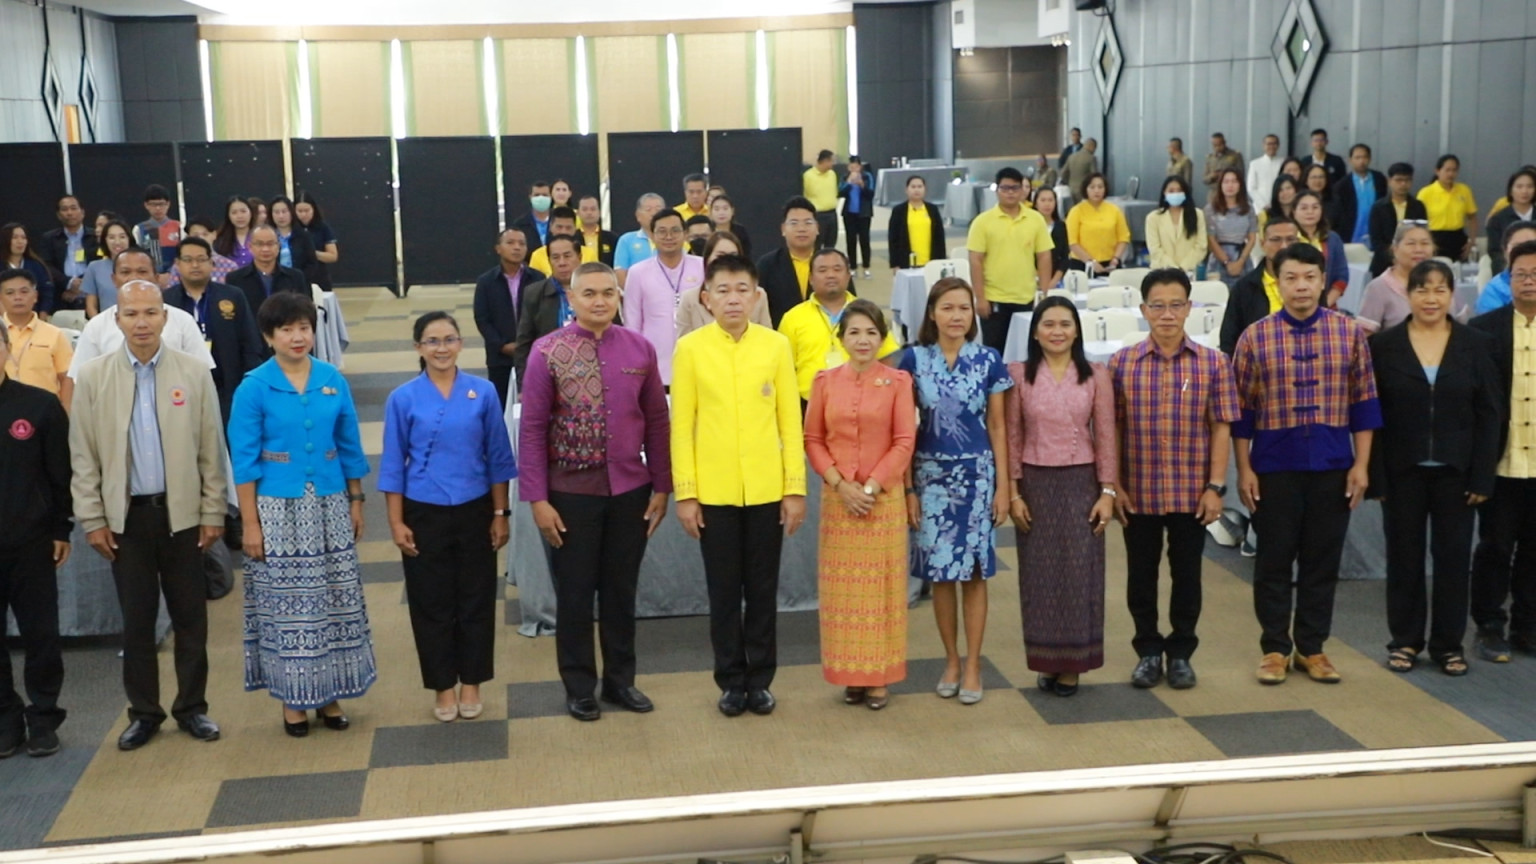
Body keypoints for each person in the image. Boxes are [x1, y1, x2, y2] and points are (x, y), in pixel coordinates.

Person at [69, 279, 225, 750]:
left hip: (182, 516)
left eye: (151, 313)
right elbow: (83, 455)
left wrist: (213, 510)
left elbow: (210, 449)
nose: (142, 322)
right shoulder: (93, 376)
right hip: (126, 521)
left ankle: (192, 708)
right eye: (132, 313)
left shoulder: (192, 371)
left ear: (166, 317)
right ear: (116, 320)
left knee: (191, 619)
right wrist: (93, 519)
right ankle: (144, 713)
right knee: (137, 624)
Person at [520, 262, 671, 721]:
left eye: (608, 292)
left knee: (622, 592)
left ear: (618, 297)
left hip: (631, 490)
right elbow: (532, 429)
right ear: (572, 298)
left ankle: (621, 682)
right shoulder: (547, 351)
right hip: (570, 494)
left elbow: (657, 422)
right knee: (576, 594)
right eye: (589, 293)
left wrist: (662, 486)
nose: (600, 301)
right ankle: (580, 686)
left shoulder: (640, 348)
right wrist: (537, 499)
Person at [1232, 242, 1381, 684]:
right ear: (1277, 283)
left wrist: (1362, 465)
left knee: (1321, 560)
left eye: (1309, 277)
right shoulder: (1255, 336)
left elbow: (1365, 404)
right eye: (1291, 278)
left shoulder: (1349, 333)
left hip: (1333, 464)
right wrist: (1244, 469)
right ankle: (1275, 648)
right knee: (1273, 560)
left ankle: (1312, 648)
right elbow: (1241, 412)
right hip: (1274, 466)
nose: (1301, 286)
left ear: (1323, 281)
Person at [229, 292, 374, 737]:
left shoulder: (331, 378)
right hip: (277, 510)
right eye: (287, 329)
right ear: (269, 336)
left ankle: (329, 694)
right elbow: (244, 461)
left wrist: (356, 500)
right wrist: (250, 525)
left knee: (333, 601)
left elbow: (349, 444)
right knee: (290, 607)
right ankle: (293, 700)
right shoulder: (254, 386)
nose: (297, 337)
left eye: (304, 328)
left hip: (330, 505)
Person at [672, 254, 806, 717]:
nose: (733, 299)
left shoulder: (776, 346)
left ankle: (761, 680)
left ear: (756, 296)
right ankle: (730, 681)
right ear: (706, 298)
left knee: (763, 590)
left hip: (767, 489)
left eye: (742, 289)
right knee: (724, 591)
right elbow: (681, 428)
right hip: (714, 492)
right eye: (723, 290)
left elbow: (790, 423)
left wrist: (795, 488)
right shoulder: (690, 349)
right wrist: (686, 493)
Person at [1106, 270, 1239, 690]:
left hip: (1191, 491)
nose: (1167, 314)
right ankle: (1147, 651)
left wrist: (1215, 487)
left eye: (1176, 305)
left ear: (1189, 308)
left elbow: (1221, 427)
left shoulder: (1213, 363)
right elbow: (1112, 429)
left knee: (1188, 576)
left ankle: (1181, 653)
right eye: (1158, 306)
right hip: (1138, 491)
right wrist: (1114, 484)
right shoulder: (1122, 363)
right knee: (1140, 576)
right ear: (1143, 310)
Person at [381, 311, 516, 722]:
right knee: (431, 602)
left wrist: (501, 513)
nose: (442, 348)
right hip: (423, 510)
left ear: (461, 343)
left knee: (477, 598)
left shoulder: (483, 392)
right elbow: (392, 465)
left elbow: (498, 458)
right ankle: (442, 686)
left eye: (449, 339)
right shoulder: (402, 398)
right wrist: (396, 522)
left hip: (476, 507)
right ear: (418, 348)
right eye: (432, 341)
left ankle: (472, 682)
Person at [1369, 259, 1501, 676]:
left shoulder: (1475, 344)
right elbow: (1372, 415)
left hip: (1457, 473)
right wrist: (1376, 475)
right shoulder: (1383, 346)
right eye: (1422, 289)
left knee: (1453, 561)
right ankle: (1405, 641)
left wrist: (1483, 475)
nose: (1431, 298)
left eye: (1440, 289)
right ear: (1408, 294)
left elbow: (1490, 414)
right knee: (1403, 559)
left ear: (1452, 295)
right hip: (1401, 472)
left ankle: (1448, 645)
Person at [900, 278, 1012, 704]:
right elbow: (903, 427)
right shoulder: (913, 359)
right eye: (947, 308)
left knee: (976, 574)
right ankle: (950, 659)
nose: (956, 316)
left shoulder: (988, 360)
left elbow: (998, 426)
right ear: (932, 312)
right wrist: (908, 488)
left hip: (977, 476)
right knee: (941, 574)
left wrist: (1004, 486)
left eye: (964, 308)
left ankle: (974, 664)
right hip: (929, 478)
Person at [804, 297, 916, 710]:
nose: (863, 340)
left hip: (881, 501)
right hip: (838, 501)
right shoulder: (824, 382)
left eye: (871, 332)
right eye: (854, 332)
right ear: (841, 338)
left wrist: (869, 488)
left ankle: (879, 676)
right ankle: (850, 674)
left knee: (881, 592)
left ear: (882, 337)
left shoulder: (899, 381)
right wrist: (840, 484)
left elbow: (904, 441)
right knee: (843, 594)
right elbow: (813, 439)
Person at [1003, 296, 1117, 697]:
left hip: (1081, 483)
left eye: (1065, 324)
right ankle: (1046, 660)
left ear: (1077, 331)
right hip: (1034, 483)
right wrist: (1013, 492)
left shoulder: (1095, 374)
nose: (1057, 331)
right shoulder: (1019, 374)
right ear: (1035, 332)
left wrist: (1107, 490)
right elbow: (1012, 435)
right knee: (1039, 577)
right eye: (1048, 324)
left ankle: (1074, 665)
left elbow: (1106, 434)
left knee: (1080, 573)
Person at [0, 319, 72, 759]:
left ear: (7, 348)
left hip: (31, 540)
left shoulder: (40, 405)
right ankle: (5, 720)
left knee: (41, 635)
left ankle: (44, 717)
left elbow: (59, 473)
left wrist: (62, 528)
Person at [1469, 239, 1536, 662]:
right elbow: (1475, 404)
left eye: (1535, 274)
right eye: (1521, 274)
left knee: (1534, 550)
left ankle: (1528, 627)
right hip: (1501, 462)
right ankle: (1489, 626)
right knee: (1495, 547)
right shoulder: (1484, 330)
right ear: (1508, 280)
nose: (1529, 281)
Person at [68, 249, 215, 378]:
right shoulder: (96, 326)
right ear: (114, 279)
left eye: (142, 272)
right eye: (125, 272)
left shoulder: (183, 321)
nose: (134, 278)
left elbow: (202, 373)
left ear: (156, 278)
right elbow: (79, 378)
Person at [779, 249, 901, 402]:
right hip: (809, 403)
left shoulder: (869, 312)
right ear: (811, 278)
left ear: (848, 276)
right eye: (822, 270)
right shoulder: (792, 318)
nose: (830, 275)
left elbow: (886, 357)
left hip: (862, 402)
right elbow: (784, 368)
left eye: (837, 269)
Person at [163, 236, 261, 421]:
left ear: (212, 263)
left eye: (201, 259)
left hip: (227, 385)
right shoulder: (166, 300)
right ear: (177, 264)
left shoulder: (232, 296)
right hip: (180, 387)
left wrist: (249, 384)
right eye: (188, 260)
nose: (195, 265)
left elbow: (250, 342)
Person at [968, 168, 1055, 352]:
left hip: (1026, 298)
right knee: (995, 353)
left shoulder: (1035, 219)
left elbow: (1044, 256)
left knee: (1027, 352)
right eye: (1005, 188)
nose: (1010, 193)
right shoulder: (982, 222)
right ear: (997, 190)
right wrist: (980, 298)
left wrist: (1044, 293)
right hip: (994, 299)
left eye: (1015, 188)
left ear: (1023, 191)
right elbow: (975, 261)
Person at [622, 210, 704, 387]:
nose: (669, 237)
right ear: (652, 235)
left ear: (685, 234)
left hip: (699, 360)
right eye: (662, 231)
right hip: (655, 364)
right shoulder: (638, 272)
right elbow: (632, 323)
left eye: (675, 230)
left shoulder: (702, 267)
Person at [472, 227, 543, 407]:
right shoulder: (486, 282)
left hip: (533, 354)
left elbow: (543, 316)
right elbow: (482, 319)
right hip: (500, 357)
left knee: (534, 403)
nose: (517, 247)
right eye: (510, 243)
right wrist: (502, 345)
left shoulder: (538, 278)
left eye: (522, 244)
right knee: (500, 405)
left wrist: (530, 344)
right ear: (498, 248)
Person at [512, 233, 582, 386]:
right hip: (549, 374)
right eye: (555, 258)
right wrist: (524, 386)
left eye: (567, 256)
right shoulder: (534, 294)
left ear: (579, 257)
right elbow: (524, 343)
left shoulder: (595, 289)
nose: (562, 263)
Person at [676, 232, 771, 339]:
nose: (726, 261)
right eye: (720, 256)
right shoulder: (689, 298)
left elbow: (767, 337)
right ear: (707, 259)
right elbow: (683, 341)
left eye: (733, 256)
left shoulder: (758, 295)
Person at [1, 269, 73, 407]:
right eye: (10, 293)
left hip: (44, 411)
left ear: (35, 296)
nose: (18, 297)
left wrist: (65, 411)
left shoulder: (55, 334)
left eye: (24, 292)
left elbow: (66, 378)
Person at [225, 225, 309, 338]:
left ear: (278, 246)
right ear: (250, 247)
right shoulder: (235, 279)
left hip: (287, 338)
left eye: (270, 244)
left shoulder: (295, 277)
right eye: (259, 244)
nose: (265, 249)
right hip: (249, 339)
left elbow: (305, 312)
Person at [1357, 222, 1435, 335]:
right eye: (1411, 243)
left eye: (1425, 243)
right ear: (1395, 249)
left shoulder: (1445, 284)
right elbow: (1364, 337)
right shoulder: (1378, 288)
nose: (1419, 249)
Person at [758, 197, 824, 327]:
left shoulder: (832, 263)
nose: (801, 229)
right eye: (794, 223)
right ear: (783, 229)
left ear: (817, 228)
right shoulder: (767, 265)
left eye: (808, 223)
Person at [1368, 163, 1430, 277]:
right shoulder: (1378, 207)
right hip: (1383, 265)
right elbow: (1376, 240)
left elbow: (1422, 234)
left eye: (1407, 180)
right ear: (1389, 181)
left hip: (1412, 263)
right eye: (1398, 180)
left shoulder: (1418, 206)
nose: (1403, 184)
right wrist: (1395, 256)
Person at [40, 195, 97, 313]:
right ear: (58, 215)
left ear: (82, 212)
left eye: (73, 208)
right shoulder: (49, 238)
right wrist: (68, 283)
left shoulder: (95, 237)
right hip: (62, 296)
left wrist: (82, 284)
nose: (69, 213)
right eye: (64, 209)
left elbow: (100, 263)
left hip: (92, 295)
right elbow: (46, 265)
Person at [1292, 191, 1349, 306]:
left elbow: (1341, 275)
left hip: (1326, 304)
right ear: (1294, 212)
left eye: (1315, 207)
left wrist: (1325, 304)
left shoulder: (1333, 239)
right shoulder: (1287, 239)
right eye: (1304, 208)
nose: (1310, 212)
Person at [1418, 155, 1479, 261]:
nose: (1451, 174)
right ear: (1437, 171)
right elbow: (1418, 222)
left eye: (1454, 170)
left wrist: (1471, 241)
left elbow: (1472, 217)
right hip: (1434, 238)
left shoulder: (1464, 190)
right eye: (1447, 170)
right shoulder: (1425, 193)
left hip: (1458, 238)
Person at [1066, 173, 1131, 274]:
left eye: (1100, 187)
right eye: (1092, 187)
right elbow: (1073, 242)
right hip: (1082, 263)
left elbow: (1123, 237)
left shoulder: (1115, 210)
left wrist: (1115, 259)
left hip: (1111, 264)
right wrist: (1091, 262)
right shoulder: (1076, 211)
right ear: (1085, 189)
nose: (1096, 191)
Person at [1204, 169, 1258, 289]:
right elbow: (1211, 239)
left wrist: (1241, 261)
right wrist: (1227, 262)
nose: (1230, 185)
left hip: (1242, 256)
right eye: (1226, 182)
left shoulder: (1249, 208)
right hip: (1218, 259)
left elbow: (1252, 238)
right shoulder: (1210, 209)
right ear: (1220, 185)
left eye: (1234, 181)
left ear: (1240, 185)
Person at [1145, 176, 1208, 272]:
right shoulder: (1153, 218)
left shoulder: (1198, 215)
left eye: (1179, 190)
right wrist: (1173, 269)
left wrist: (1183, 267)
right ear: (1164, 193)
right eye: (1171, 191)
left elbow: (1201, 246)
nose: (1175, 194)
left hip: (1190, 270)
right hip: (1162, 271)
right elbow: (1155, 249)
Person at [1330, 144, 1387, 246]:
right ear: (1350, 160)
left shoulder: (1379, 179)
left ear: (1370, 159)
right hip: (1351, 236)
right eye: (1357, 157)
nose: (1361, 161)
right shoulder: (1342, 185)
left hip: (1375, 235)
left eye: (1365, 157)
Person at [1475, 221, 1536, 315]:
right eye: (1517, 247)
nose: (1524, 252)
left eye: (1531, 246)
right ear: (1505, 251)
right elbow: (1490, 322)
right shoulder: (1494, 291)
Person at [887, 176, 945, 270]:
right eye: (913, 187)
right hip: (906, 263)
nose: (916, 190)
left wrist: (942, 261)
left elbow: (940, 237)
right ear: (906, 190)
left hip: (931, 263)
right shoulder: (899, 211)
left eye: (920, 186)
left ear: (925, 189)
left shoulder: (932, 210)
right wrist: (895, 264)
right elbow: (893, 239)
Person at [1488, 168, 1536, 274]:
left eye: (1530, 186)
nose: (1524, 191)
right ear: (1510, 190)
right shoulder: (1497, 220)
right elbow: (1496, 253)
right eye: (1519, 187)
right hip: (1509, 272)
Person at [2, 224, 55, 317]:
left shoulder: (36, 265)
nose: (20, 241)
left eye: (23, 238)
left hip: (34, 316)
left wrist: (43, 312)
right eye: (15, 237)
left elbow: (46, 291)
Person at [82, 220, 132, 319]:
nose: (117, 242)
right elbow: (91, 306)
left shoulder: (142, 265)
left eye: (122, 237)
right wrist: (99, 325)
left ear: (129, 239)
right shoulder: (94, 267)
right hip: (106, 323)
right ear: (105, 240)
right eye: (111, 237)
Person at [168, 218, 239, 288]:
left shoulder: (230, 266)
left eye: (205, 234)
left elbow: (236, 293)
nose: (201, 238)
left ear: (214, 235)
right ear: (188, 237)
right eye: (196, 235)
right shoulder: (180, 266)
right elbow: (172, 292)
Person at [614, 193, 665, 286]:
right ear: (638, 215)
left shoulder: (673, 240)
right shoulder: (626, 240)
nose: (654, 214)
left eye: (658, 209)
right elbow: (620, 274)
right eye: (648, 210)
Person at [528, 207, 597, 275]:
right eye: (559, 227)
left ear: (575, 229)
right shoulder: (537, 255)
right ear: (550, 227)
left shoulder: (589, 254)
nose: (563, 232)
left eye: (568, 228)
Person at [132, 184, 181, 276]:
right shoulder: (138, 229)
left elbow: (184, 255)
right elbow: (136, 257)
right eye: (153, 205)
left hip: (176, 276)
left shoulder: (179, 227)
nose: (158, 208)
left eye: (161, 204)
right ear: (146, 205)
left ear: (168, 204)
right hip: (148, 276)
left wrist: (169, 273)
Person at [294, 192, 339, 291]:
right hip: (297, 275)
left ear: (313, 209)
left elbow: (333, 256)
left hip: (319, 276)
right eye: (299, 211)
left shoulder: (323, 227)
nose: (303, 214)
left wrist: (311, 253)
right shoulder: (292, 228)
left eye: (307, 210)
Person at [840, 158, 875, 279]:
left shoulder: (867, 176)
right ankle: (853, 267)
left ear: (860, 167)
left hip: (864, 214)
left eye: (856, 167)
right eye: (851, 167)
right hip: (849, 214)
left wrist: (862, 184)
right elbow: (840, 193)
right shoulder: (845, 177)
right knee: (851, 241)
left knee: (864, 240)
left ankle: (866, 267)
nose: (853, 169)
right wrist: (848, 183)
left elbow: (871, 194)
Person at [267, 196, 317, 277]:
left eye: (284, 211)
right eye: (276, 212)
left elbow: (312, 263)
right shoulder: (266, 236)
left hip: (299, 281)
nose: (281, 216)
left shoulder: (303, 235)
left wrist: (300, 279)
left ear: (291, 212)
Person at [803, 149, 840, 250]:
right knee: (816, 245)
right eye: (831, 161)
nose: (833, 163)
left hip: (832, 214)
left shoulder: (832, 174)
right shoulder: (808, 176)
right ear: (825, 161)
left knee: (831, 244)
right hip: (818, 215)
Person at [1034, 188, 1070, 290]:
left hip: (1056, 281)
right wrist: (1039, 278)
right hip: (1032, 280)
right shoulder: (1030, 226)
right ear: (1036, 203)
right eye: (1043, 200)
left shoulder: (1061, 226)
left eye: (1050, 200)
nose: (1047, 204)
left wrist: (1054, 281)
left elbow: (1065, 257)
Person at [512, 180, 556, 254]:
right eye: (537, 195)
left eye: (545, 195)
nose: (541, 198)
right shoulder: (520, 224)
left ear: (551, 197)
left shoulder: (559, 221)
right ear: (530, 197)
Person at [212, 197, 255, 270]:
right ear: (228, 216)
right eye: (234, 212)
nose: (239, 216)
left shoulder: (260, 236)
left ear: (251, 213)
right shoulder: (221, 241)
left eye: (243, 211)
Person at [576, 194, 618, 267]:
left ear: (599, 212)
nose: (589, 213)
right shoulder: (572, 238)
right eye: (585, 209)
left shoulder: (612, 238)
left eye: (593, 209)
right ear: (578, 213)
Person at [707, 194, 752, 259]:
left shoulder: (740, 231)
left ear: (732, 211)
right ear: (710, 212)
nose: (721, 213)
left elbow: (746, 255)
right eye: (716, 209)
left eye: (725, 209)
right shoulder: (707, 231)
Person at [1247, 134, 1284, 212]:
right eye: (1269, 144)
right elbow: (1251, 188)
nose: (1271, 146)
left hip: (1280, 206)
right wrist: (1263, 204)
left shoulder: (1283, 162)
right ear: (1263, 146)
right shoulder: (1255, 164)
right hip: (1260, 208)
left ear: (1278, 146)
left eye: (1274, 144)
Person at [1202, 133, 1244, 201]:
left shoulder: (1235, 155)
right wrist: (1212, 176)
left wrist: (1225, 175)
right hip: (1214, 193)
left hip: (1230, 192)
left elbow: (1241, 175)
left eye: (1220, 145)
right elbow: (1204, 179)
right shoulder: (1210, 158)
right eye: (1215, 145)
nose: (1217, 147)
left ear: (1224, 143)